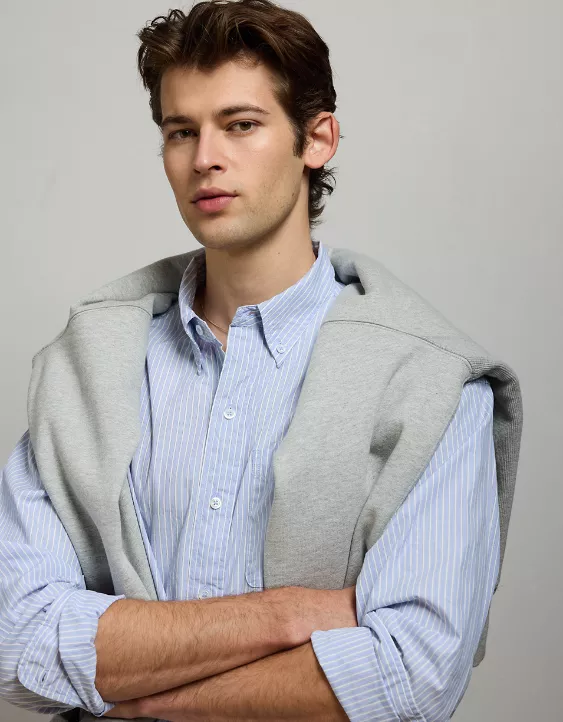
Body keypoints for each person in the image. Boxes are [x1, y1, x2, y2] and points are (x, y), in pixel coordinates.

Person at [0, 2, 523, 721]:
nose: (204, 158)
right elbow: (14, 643)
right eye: (181, 131)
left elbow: (412, 674)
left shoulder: (428, 381)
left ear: (317, 139)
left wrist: (134, 700)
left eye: (240, 125)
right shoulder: (87, 366)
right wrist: (287, 615)